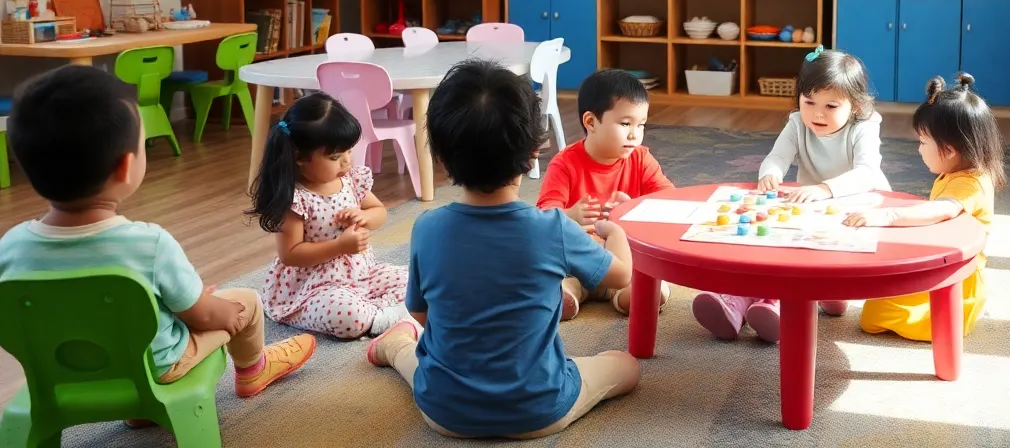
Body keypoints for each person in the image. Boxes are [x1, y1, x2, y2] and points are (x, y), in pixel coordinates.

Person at [0, 66, 315, 407]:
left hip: (59, 373)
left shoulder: (11, 246)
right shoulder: (148, 245)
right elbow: (204, 317)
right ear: (126, 166)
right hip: (154, 368)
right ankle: (255, 369)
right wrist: (223, 312)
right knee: (247, 301)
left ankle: (138, 409)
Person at [367, 59, 640, 439]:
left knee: (421, 363)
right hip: (539, 409)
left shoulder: (427, 227)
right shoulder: (553, 228)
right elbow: (622, 275)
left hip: (444, 412)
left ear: (442, 158)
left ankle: (395, 347)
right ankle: (401, 349)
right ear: (534, 154)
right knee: (625, 365)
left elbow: (420, 311)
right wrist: (618, 234)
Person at [691, 46, 890, 343]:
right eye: (809, 102)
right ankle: (734, 304)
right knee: (769, 243)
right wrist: (770, 174)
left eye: (831, 107)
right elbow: (776, 157)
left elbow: (867, 173)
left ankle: (783, 303)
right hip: (809, 208)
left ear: (856, 106)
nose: (817, 114)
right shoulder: (798, 123)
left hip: (854, 211)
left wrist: (825, 189)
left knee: (797, 259)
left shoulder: (864, 126)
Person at [844, 73, 1004, 340]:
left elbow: (941, 210)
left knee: (874, 318)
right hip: (942, 268)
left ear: (950, 149)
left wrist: (888, 215)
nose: (918, 150)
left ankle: (954, 321)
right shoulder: (959, 172)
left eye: (922, 142)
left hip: (958, 284)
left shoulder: (970, 184)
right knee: (880, 298)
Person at [248, 92, 409, 339]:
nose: (346, 162)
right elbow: (290, 255)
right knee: (347, 315)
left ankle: (381, 313)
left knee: (414, 279)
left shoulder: (350, 180)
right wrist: (339, 246)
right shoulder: (295, 199)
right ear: (300, 157)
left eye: (348, 152)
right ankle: (379, 319)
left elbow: (379, 212)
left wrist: (363, 217)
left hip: (361, 274)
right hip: (313, 285)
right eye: (335, 157)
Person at [537, 68, 674, 318]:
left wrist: (633, 207)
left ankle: (634, 295)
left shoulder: (641, 158)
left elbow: (671, 202)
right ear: (591, 122)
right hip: (577, 263)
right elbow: (543, 218)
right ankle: (569, 292)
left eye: (641, 124)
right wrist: (570, 214)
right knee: (558, 276)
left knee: (648, 281)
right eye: (625, 123)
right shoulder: (564, 163)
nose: (635, 134)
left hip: (627, 262)